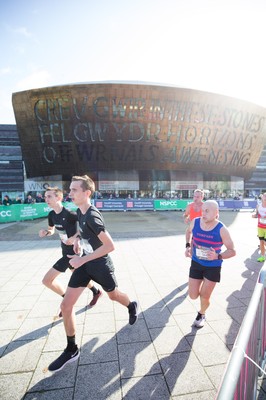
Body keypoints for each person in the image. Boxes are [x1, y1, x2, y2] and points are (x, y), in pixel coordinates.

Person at [48, 175, 138, 372]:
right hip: (85, 264)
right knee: (66, 304)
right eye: (70, 190)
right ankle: (72, 349)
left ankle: (131, 305)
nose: (70, 193)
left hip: (100, 265)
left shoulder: (92, 216)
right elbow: (84, 231)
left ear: (87, 193)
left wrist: (81, 259)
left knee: (114, 296)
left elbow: (110, 245)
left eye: (74, 190)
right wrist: (78, 238)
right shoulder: (81, 211)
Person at [39, 186, 102, 317]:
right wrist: (46, 232)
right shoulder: (51, 215)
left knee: (47, 280)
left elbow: (84, 226)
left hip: (73, 253)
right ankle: (96, 292)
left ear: (59, 197)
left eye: (49, 196)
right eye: (45, 197)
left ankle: (66, 300)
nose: (46, 199)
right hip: (64, 251)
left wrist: (75, 238)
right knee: (80, 276)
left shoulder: (70, 214)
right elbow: (52, 229)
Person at [185, 200, 236, 328]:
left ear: (216, 213)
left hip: (213, 267)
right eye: (203, 210)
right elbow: (188, 232)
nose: (204, 213)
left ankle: (201, 314)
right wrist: (188, 246)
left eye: (207, 211)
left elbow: (232, 251)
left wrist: (218, 256)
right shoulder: (195, 222)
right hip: (196, 263)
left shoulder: (222, 229)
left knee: (204, 295)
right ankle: (201, 307)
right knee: (192, 295)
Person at [252, 192, 266, 262]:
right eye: (264, 196)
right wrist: (254, 215)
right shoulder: (258, 206)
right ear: (262, 197)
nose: (265, 197)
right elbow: (257, 215)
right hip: (260, 227)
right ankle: (263, 257)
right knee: (261, 242)